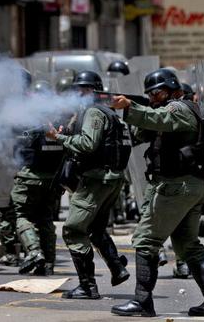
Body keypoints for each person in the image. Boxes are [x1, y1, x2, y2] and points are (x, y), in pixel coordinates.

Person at [110, 68, 204, 318]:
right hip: (186, 187)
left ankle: (143, 301)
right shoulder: (168, 110)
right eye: (149, 94)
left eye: (157, 93)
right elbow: (144, 132)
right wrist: (138, 109)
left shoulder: (179, 108)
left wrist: (131, 106)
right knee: (188, 245)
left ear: (173, 90)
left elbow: (160, 119)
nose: (153, 98)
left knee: (145, 240)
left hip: (177, 187)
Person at [46, 71, 130, 299]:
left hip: (96, 180)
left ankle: (87, 286)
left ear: (91, 90)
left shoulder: (93, 112)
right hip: (110, 179)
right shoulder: (106, 112)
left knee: (73, 230)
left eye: (80, 90)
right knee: (95, 228)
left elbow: (88, 144)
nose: (77, 94)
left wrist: (59, 138)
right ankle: (117, 268)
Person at [10, 80, 67, 275]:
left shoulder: (29, 118)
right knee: (45, 219)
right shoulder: (60, 120)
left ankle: (34, 252)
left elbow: (17, 140)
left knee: (22, 216)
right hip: (51, 179)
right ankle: (49, 263)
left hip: (29, 176)